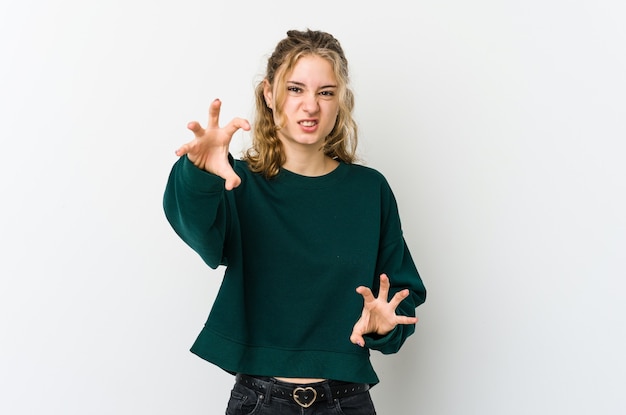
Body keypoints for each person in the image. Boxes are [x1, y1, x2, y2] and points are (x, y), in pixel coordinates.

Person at [163, 29, 426, 415]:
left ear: (341, 101)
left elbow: (401, 294)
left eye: (326, 92)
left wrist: (386, 326)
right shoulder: (238, 182)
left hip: (347, 400)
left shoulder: (370, 191)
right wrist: (198, 172)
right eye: (296, 89)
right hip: (260, 400)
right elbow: (200, 233)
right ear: (269, 94)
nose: (311, 106)